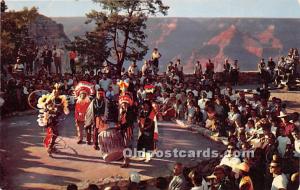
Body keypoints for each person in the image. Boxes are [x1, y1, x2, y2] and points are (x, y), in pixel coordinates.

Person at [36, 83, 69, 155]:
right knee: (55, 133)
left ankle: (52, 146)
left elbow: (64, 108)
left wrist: (62, 109)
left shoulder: (62, 98)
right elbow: (45, 106)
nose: (57, 92)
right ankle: (50, 147)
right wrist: (50, 109)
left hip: (58, 118)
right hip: (51, 118)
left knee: (54, 133)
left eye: (59, 91)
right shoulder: (51, 98)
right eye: (56, 90)